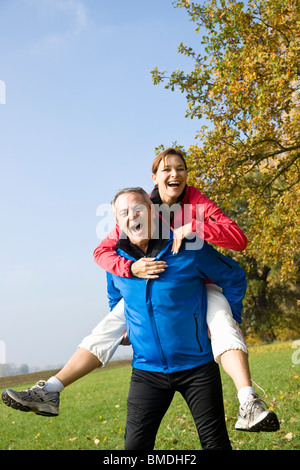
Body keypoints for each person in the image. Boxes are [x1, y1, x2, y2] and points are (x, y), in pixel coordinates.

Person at [2, 149, 279, 433]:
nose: (175, 174)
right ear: (154, 178)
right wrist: (130, 270)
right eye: (167, 169)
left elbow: (238, 240)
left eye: (181, 168)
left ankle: (248, 402)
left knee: (222, 322)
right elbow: (102, 252)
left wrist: (194, 226)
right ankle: (50, 390)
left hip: (199, 286)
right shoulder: (142, 207)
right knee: (107, 327)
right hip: (148, 289)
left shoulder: (198, 203)